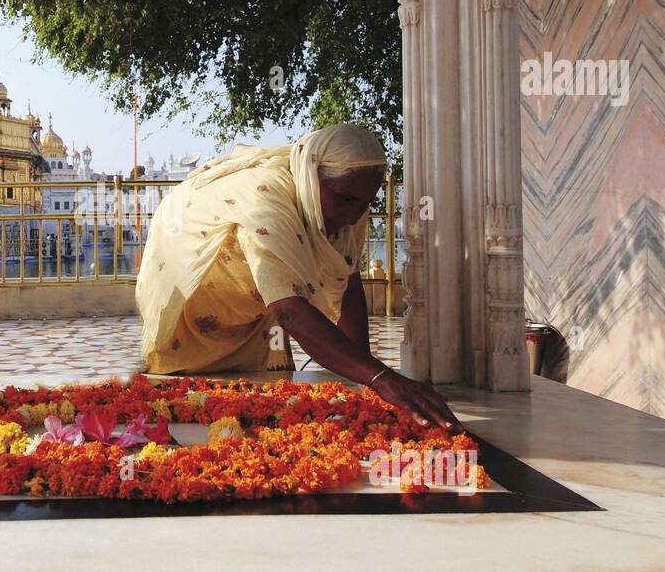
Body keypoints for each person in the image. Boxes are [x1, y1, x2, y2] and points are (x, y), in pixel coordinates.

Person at [136, 123, 460, 431]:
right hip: (191, 299)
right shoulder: (266, 199)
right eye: (345, 200)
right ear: (312, 174)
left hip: (252, 309)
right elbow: (290, 310)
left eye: (365, 203)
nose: (354, 215)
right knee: (184, 408)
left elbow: (347, 286)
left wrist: (367, 381)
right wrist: (382, 379)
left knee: (260, 410)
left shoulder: (347, 203)